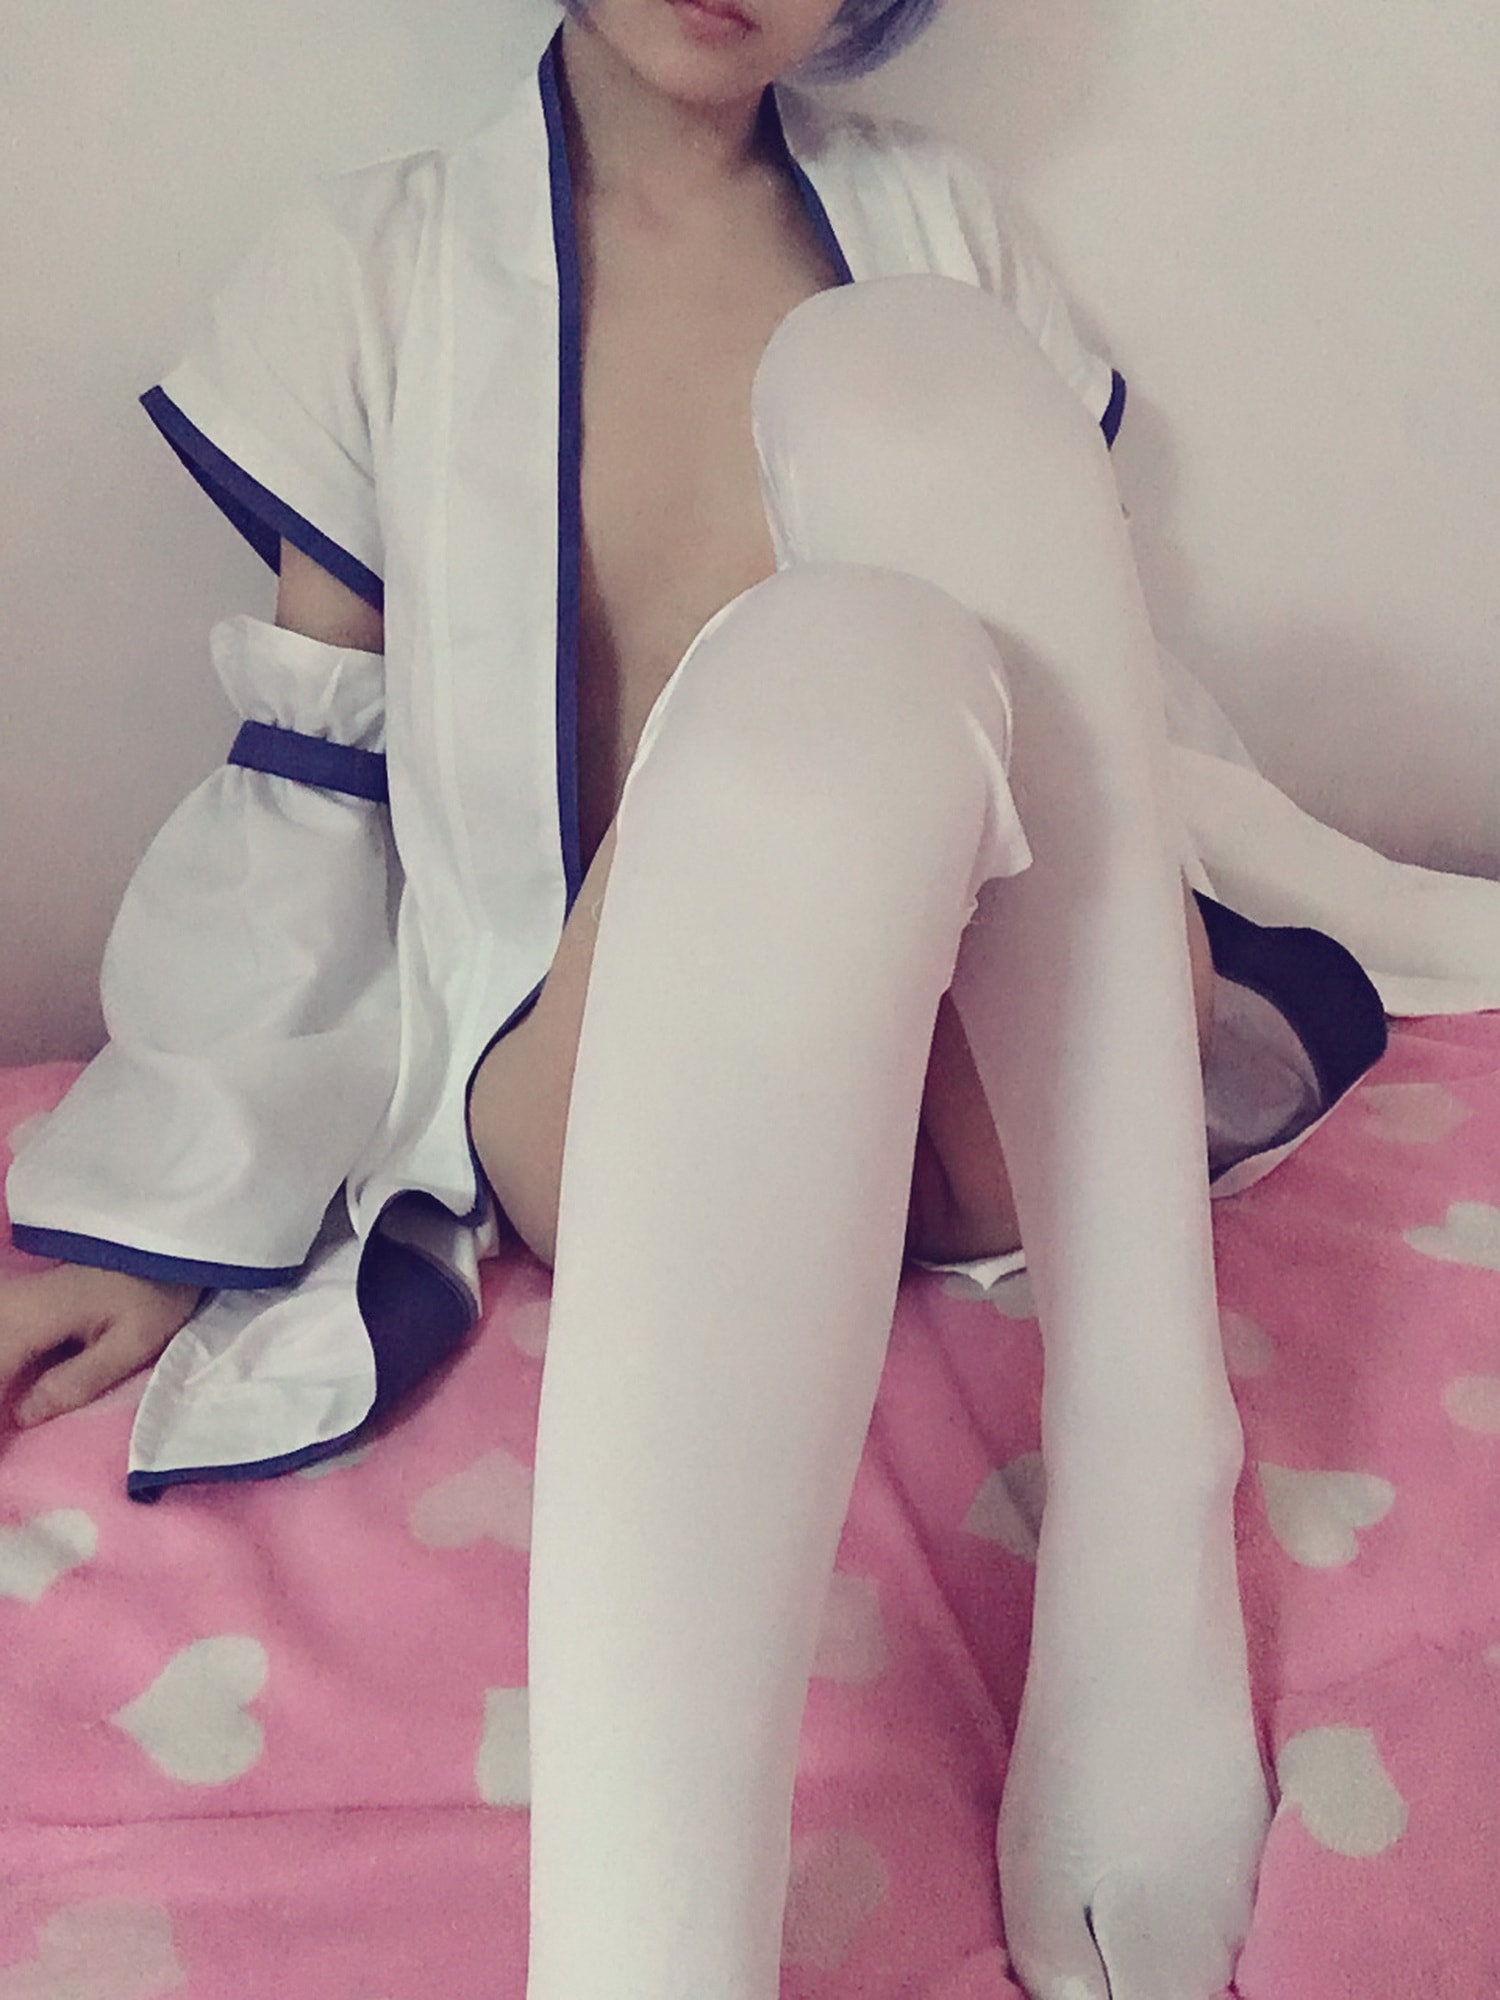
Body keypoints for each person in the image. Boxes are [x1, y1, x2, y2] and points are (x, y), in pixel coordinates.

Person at [19, 0, 1488, 1992]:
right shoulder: (368, 266)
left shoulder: (945, 232)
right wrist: (158, 1214)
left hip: (982, 1104)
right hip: (614, 1100)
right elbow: (309, 806)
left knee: (905, 384)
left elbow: (1085, 713)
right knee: (828, 661)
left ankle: (1147, 1500)